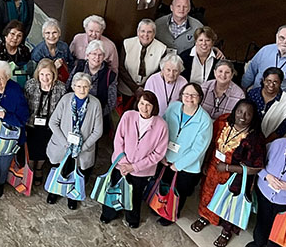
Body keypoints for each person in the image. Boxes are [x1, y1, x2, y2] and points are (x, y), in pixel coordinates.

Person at [191, 99, 266, 247]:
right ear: (234, 111)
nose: (242, 116)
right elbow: (210, 143)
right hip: (213, 170)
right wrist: (206, 162)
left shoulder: (255, 138)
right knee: (208, 194)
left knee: (229, 204)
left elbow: (256, 168)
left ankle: (226, 231)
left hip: (234, 178)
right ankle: (205, 217)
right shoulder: (222, 121)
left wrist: (227, 168)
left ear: (253, 116)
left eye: (248, 114)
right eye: (239, 111)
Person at [102, 91, 169, 228]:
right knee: (115, 189)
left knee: (135, 195)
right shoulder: (128, 116)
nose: (144, 108)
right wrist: (124, 163)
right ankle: (109, 213)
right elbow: (118, 139)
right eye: (142, 103)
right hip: (121, 165)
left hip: (142, 171)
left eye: (148, 105)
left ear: (154, 106)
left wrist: (134, 167)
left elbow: (158, 154)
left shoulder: (161, 125)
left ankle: (132, 218)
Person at [155, 83, 213, 224]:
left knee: (178, 193)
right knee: (163, 185)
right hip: (166, 158)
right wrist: (161, 154)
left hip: (187, 166)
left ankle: (171, 214)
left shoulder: (205, 120)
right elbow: (162, 129)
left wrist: (178, 165)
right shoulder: (174, 107)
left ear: (200, 98)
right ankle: (158, 206)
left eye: (194, 95)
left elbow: (198, 150)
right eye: (186, 94)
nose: (189, 98)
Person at [44, 72, 104, 209]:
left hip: (82, 149)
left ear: (90, 87)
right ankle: (54, 192)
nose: (82, 90)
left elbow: (98, 131)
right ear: (73, 86)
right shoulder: (66, 99)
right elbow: (53, 122)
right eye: (78, 86)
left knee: (77, 173)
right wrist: (65, 143)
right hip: (62, 146)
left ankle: (72, 196)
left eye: (85, 87)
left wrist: (83, 147)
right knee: (59, 169)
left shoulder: (95, 104)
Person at [0, 60, 30, 198]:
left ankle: (0, 184)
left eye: (1, 78)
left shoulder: (15, 91)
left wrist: (5, 115)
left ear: (7, 77)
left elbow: (23, 117)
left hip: (8, 136)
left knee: (3, 164)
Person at [241, 24, 286, 102]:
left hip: (279, 103)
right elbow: (251, 71)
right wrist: (243, 89)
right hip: (255, 96)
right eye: (281, 38)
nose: (285, 42)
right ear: (276, 37)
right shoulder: (265, 50)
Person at [25, 59, 67, 184]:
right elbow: (25, 104)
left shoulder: (60, 88)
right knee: (32, 148)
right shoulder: (30, 85)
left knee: (44, 147)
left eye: (48, 74)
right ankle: (31, 169)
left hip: (50, 125)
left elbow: (62, 109)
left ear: (53, 74)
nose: (45, 78)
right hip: (32, 123)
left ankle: (39, 168)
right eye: (42, 74)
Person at [67, 39, 117, 118]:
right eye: (94, 54)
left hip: (98, 115)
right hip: (74, 111)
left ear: (104, 57)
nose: (97, 57)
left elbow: (111, 102)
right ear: (87, 55)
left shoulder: (110, 75)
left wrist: (97, 115)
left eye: (100, 55)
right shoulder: (79, 67)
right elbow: (68, 87)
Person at [118, 18, 167, 99]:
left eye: (149, 32)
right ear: (138, 32)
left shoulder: (162, 48)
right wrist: (135, 88)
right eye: (143, 31)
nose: (145, 35)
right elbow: (121, 67)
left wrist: (144, 88)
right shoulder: (127, 43)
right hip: (126, 89)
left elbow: (159, 72)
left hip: (148, 90)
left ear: (154, 34)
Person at [247, 67, 286, 142]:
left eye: (275, 82)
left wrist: (263, 144)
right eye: (268, 81)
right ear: (263, 80)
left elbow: (281, 130)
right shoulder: (253, 94)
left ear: (280, 83)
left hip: (268, 142)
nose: (271, 85)